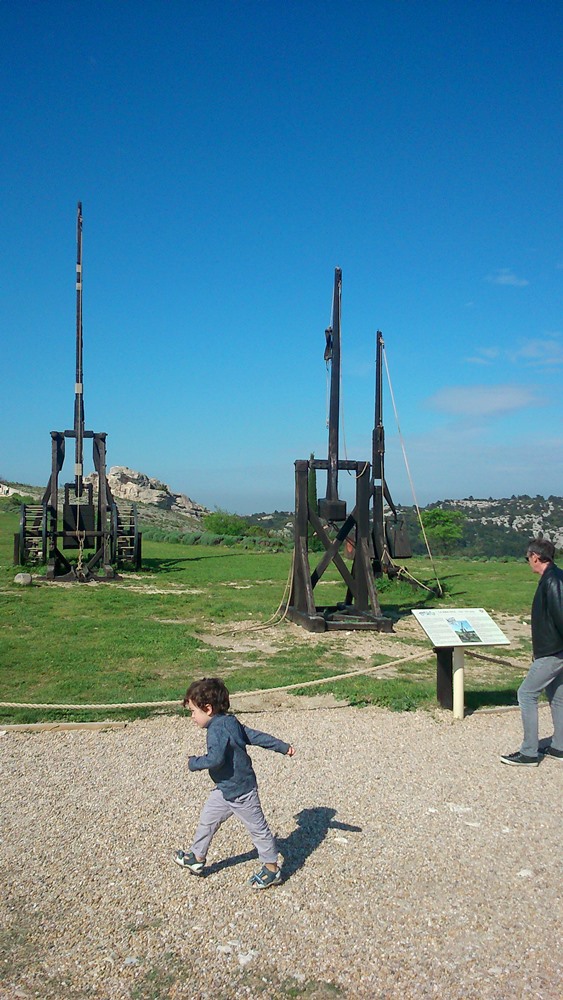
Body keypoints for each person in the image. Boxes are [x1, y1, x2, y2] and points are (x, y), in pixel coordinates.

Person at [175, 677, 295, 887]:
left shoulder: (217, 730)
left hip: (241, 791)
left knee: (258, 829)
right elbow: (256, 736)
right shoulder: (230, 721)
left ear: (208, 709)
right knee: (208, 820)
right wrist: (282, 746)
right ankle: (197, 857)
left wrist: (193, 763)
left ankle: (271, 869)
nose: (192, 717)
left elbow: (215, 758)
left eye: (194, 711)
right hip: (224, 789)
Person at [501, 537, 563, 766]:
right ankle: (559, 747)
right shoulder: (555, 576)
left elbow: (560, 616)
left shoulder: (552, 581)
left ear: (536, 557)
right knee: (557, 697)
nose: (528, 562)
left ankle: (528, 752)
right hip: (553, 649)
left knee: (526, 694)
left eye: (528, 558)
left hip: (554, 650)